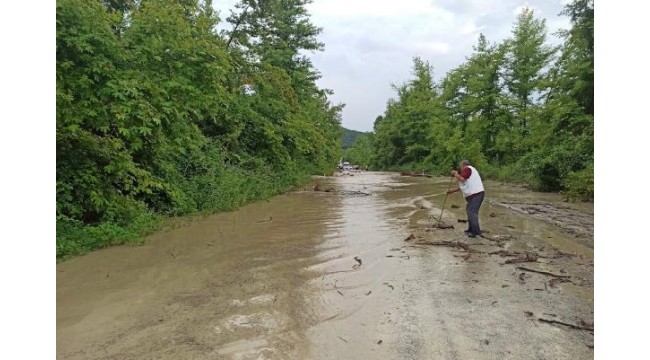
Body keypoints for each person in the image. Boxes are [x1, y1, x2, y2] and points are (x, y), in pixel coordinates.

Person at [447, 160, 485, 237]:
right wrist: (452, 191)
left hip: (476, 194)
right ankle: (471, 229)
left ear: (463, 165)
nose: (460, 169)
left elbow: (462, 179)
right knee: (469, 211)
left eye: (461, 166)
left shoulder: (468, 169)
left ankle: (476, 231)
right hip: (475, 195)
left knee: (472, 211)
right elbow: (463, 185)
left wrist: (455, 174)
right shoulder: (469, 171)